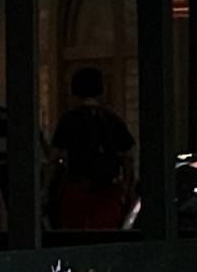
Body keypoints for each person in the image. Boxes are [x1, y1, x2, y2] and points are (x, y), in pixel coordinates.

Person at [50, 62, 140, 236]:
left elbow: (54, 158)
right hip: (108, 192)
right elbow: (129, 154)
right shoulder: (112, 120)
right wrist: (127, 184)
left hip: (78, 191)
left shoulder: (69, 120)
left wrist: (46, 189)